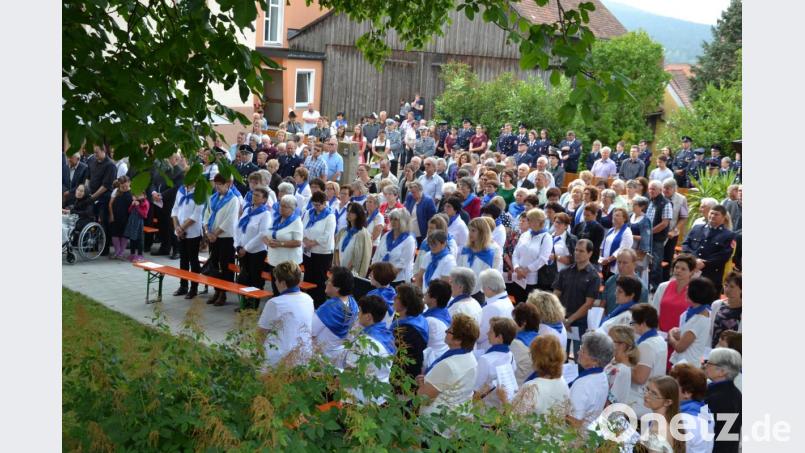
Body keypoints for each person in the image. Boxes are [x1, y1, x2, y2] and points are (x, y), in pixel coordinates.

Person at [416, 313, 479, 420]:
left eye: (450, 330)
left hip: (435, 424)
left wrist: (421, 383)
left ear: (459, 340)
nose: (446, 331)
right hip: (454, 421)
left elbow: (423, 399)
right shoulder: (471, 358)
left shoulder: (448, 365)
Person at [256, 261, 314, 367]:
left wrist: (258, 356)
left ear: (282, 283)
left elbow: (260, 334)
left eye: (276, 280)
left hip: (280, 359)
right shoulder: (308, 299)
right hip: (303, 356)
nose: (275, 283)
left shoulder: (275, 303)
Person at [341, 294, 394, 405]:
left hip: (359, 399)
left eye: (360, 311)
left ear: (368, 317)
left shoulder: (364, 341)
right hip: (380, 396)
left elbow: (350, 372)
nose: (358, 315)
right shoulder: (388, 336)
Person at [554, 239, 601, 358]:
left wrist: (570, 320)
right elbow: (555, 295)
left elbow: (588, 304)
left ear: (590, 253)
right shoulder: (565, 272)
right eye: (576, 250)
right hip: (561, 320)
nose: (577, 253)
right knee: (558, 358)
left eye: (581, 251)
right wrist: (560, 318)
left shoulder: (594, 276)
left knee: (579, 357)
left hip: (580, 324)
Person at [507, 335, 570, 417]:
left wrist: (504, 399)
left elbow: (513, 419)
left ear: (535, 358)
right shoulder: (562, 381)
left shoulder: (531, 387)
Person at [201, 174, 240, 305]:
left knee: (224, 266)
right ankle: (216, 290)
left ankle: (223, 293)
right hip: (212, 237)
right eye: (215, 184)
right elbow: (206, 214)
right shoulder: (213, 198)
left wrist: (215, 234)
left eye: (220, 184)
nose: (217, 187)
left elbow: (229, 220)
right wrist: (207, 231)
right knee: (214, 264)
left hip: (226, 238)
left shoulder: (233, 200)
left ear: (227, 185)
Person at [682, 205, 736, 295]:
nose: (712, 216)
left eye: (716, 214)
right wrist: (694, 260)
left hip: (711, 275)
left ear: (723, 217)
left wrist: (704, 263)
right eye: (711, 213)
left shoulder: (729, 235)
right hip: (691, 270)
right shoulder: (697, 228)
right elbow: (686, 245)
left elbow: (724, 255)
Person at [233, 186, 271, 311]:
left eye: (257, 195)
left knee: (255, 279)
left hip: (256, 252)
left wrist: (246, 248)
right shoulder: (247, 210)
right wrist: (238, 245)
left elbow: (262, 234)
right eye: (253, 194)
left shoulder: (265, 214)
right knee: (245, 278)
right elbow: (238, 227)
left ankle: (253, 306)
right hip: (242, 249)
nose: (254, 197)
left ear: (264, 199)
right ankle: (244, 304)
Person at [311, 266, 358, 363]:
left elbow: (310, 332)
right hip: (340, 354)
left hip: (322, 356)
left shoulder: (329, 308)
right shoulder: (353, 303)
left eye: (329, 281)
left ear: (337, 288)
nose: (326, 282)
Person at [567, 331, 613, 427]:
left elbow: (574, 420)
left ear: (595, 360)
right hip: (589, 429)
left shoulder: (583, 384)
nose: (578, 352)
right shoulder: (602, 375)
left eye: (583, 350)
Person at [669, 277, 716, 367]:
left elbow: (679, 347)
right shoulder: (693, 312)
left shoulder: (699, 319)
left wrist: (670, 334)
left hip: (687, 366)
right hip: (683, 363)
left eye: (688, 289)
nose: (685, 291)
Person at [669, 363, 716, 453]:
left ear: (687, 392)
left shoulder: (684, 419)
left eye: (673, 386)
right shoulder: (703, 410)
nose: (668, 389)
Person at [169, 181, 205, 298]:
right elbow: (175, 209)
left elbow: (196, 215)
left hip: (193, 232)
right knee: (183, 259)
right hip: (179, 230)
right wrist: (177, 227)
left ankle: (193, 288)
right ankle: (183, 286)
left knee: (193, 260)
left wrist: (182, 228)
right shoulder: (181, 190)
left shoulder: (200, 192)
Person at [473, 316, 517, 409]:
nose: (487, 333)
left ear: (499, 337)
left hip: (484, 412)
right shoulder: (510, 355)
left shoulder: (485, 359)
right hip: (500, 410)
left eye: (491, 332)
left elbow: (477, 391)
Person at [704, 347, 742, 453]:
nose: (705, 365)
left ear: (722, 371)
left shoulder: (715, 398)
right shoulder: (736, 393)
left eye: (709, 363)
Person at [302, 191, 336, 306]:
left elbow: (327, 235)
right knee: (308, 277)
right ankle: (307, 302)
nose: (316, 207)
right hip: (308, 251)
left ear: (324, 203)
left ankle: (318, 304)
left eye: (318, 205)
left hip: (322, 253)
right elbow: (302, 227)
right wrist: (305, 239)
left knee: (319, 280)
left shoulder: (330, 216)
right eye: (314, 204)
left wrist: (314, 242)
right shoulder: (308, 213)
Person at [265, 195, 304, 295]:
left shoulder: (296, 221)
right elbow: (265, 234)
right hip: (274, 260)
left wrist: (280, 244)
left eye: (285, 206)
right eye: (281, 205)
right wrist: (267, 242)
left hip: (288, 263)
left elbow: (298, 242)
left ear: (292, 209)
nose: (281, 208)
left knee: (287, 290)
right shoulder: (276, 219)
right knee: (275, 289)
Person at [510, 208, 552, 301]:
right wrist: (517, 268)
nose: (527, 222)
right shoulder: (525, 234)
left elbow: (542, 259)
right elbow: (516, 253)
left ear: (539, 221)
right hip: (518, 278)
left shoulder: (546, 237)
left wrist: (525, 271)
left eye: (530, 219)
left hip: (532, 281)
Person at [456, 218, 503, 300]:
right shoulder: (466, 249)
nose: (470, 233)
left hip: (478, 293)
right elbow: (459, 269)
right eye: (469, 230)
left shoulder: (488, 254)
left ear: (482, 233)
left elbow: (484, 278)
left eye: (473, 231)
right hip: (461, 290)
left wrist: (469, 291)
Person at [391, 284, 429, 381]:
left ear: (406, 303)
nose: (394, 297)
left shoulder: (406, 330)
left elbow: (391, 354)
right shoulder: (420, 319)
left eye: (398, 296)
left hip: (401, 377)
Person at [86, 144, 118, 255]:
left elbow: (106, 185)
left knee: (104, 222)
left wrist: (94, 196)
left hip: (104, 197)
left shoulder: (110, 165)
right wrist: (86, 191)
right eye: (94, 152)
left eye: (97, 152)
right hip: (92, 195)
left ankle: (105, 247)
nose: (95, 155)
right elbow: (88, 177)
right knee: (91, 220)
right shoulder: (93, 161)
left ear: (103, 151)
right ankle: (93, 245)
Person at [371, 208, 417, 286]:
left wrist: (385, 277)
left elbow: (402, 264)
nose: (392, 222)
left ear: (403, 221)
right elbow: (377, 255)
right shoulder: (386, 236)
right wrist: (374, 271)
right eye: (391, 219)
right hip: (380, 278)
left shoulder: (409, 240)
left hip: (398, 280)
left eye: (396, 219)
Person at [653, 254, 697, 334]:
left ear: (692, 272)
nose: (678, 270)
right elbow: (654, 311)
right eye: (676, 267)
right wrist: (658, 331)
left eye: (683, 269)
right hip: (660, 334)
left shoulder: (695, 291)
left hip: (682, 338)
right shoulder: (663, 286)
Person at [641, 376, 686, 453]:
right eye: (647, 389)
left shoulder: (659, 431)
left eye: (654, 394)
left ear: (667, 402)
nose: (646, 395)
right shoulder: (659, 421)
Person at [475, 270, 513, 354]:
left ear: (489, 289)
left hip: (487, 351)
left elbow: (479, 336)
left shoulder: (492, 307)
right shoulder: (507, 301)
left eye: (483, 288)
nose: (482, 291)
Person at [333, 203, 373, 277]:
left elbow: (365, 256)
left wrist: (347, 271)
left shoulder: (364, 234)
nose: (348, 214)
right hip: (339, 270)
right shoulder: (343, 231)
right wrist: (338, 268)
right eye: (347, 211)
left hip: (352, 273)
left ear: (358, 214)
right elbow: (337, 250)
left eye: (351, 212)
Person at [604, 325, 640, 409]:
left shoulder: (622, 370)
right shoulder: (613, 361)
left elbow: (611, 401)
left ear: (622, 345)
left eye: (610, 340)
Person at [647, 180, 673, 291]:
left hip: (657, 238)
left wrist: (649, 232)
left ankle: (657, 287)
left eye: (653, 189)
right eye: (650, 189)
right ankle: (648, 284)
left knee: (656, 263)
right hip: (647, 237)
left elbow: (664, 223)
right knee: (647, 262)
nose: (651, 191)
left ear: (660, 190)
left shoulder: (666, 203)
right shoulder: (650, 201)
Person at [661, 178, 689, 281]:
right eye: (664, 188)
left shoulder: (681, 199)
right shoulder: (659, 197)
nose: (665, 190)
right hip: (658, 233)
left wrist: (675, 230)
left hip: (672, 233)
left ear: (674, 189)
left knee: (667, 258)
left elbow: (684, 217)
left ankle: (665, 280)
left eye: (668, 188)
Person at [510, 301, 541, 386]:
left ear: (523, 323)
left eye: (514, 320)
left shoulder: (516, 344)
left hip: (518, 388)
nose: (512, 323)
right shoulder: (541, 340)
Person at [710, 271, 742, 348]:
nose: (727, 289)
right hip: (712, 351)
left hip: (733, 354)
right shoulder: (716, 304)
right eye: (726, 285)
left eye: (732, 286)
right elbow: (709, 331)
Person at [598, 207, 633, 278]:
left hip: (616, 267)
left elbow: (622, 250)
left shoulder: (627, 232)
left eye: (617, 215)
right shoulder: (611, 230)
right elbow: (602, 246)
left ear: (624, 218)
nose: (614, 217)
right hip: (605, 265)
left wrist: (608, 260)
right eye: (614, 215)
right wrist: (600, 258)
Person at [108, 176, 133, 259]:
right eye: (123, 186)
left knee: (124, 234)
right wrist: (111, 215)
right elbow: (110, 204)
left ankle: (121, 252)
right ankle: (117, 251)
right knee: (115, 233)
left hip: (127, 216)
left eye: (126, 186)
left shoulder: (132, 192)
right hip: (116, 215)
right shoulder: (116, 191)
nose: (125, 188)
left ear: (129, 183)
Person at [124, 190, 150, 262]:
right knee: (132, 238)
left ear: (144, 195)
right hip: (132, 222)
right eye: (135, 195)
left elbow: (144, 215)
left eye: (139, 195)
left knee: (139, 239)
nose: (137, 197)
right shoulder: (134, 202)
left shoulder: (145, 203)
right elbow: (129, 211)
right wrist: (132, 205)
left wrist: (138, 206)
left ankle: (140, 255)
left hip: (139, 223)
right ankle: (132, 254)